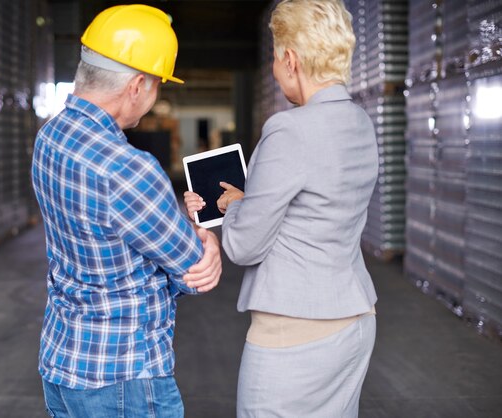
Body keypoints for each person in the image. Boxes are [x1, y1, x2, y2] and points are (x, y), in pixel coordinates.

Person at [185, 0, 378, 416]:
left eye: (275, 57)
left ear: (290, 59)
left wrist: (236, 204)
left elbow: (243, 245)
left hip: (295, 333)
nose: (274, 68)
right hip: (355, 319)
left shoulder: (288, 130)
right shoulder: (360, 122)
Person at [31, 5, 222, 418]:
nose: (154, 100)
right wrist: (207, 241)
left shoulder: (49, 139)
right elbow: (193, 272)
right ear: (137, 85)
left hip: (62, 363)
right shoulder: (129, 169)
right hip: (123, 380)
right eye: (157, 87)